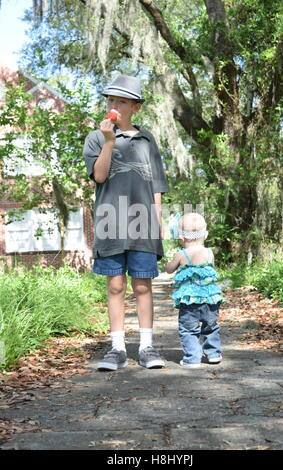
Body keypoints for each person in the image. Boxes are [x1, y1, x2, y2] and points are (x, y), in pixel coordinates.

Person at [83, 74, 168, 371]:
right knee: (116, 286)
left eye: (121, 101)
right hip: (110, 221)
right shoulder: (96, 137)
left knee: (143, 286)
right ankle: (117, 348)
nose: (114, 105)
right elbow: (101, 176)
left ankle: (147, 347)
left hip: (143, 224)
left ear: (135, 107)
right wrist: (108, 142)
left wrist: (158, 226)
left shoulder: (147, 140)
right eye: (111, 100)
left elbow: (157, 185)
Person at [165, 212, 223, 368]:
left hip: (190, 301)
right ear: (206, 235)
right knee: (211, 326)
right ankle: (213, 354)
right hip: (210, 299)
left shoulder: (181, 254)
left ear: (181, 238)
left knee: (188, 329)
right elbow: (210, 272)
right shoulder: (209, 253)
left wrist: (167, 263)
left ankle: (192, 358)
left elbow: (170, 269)